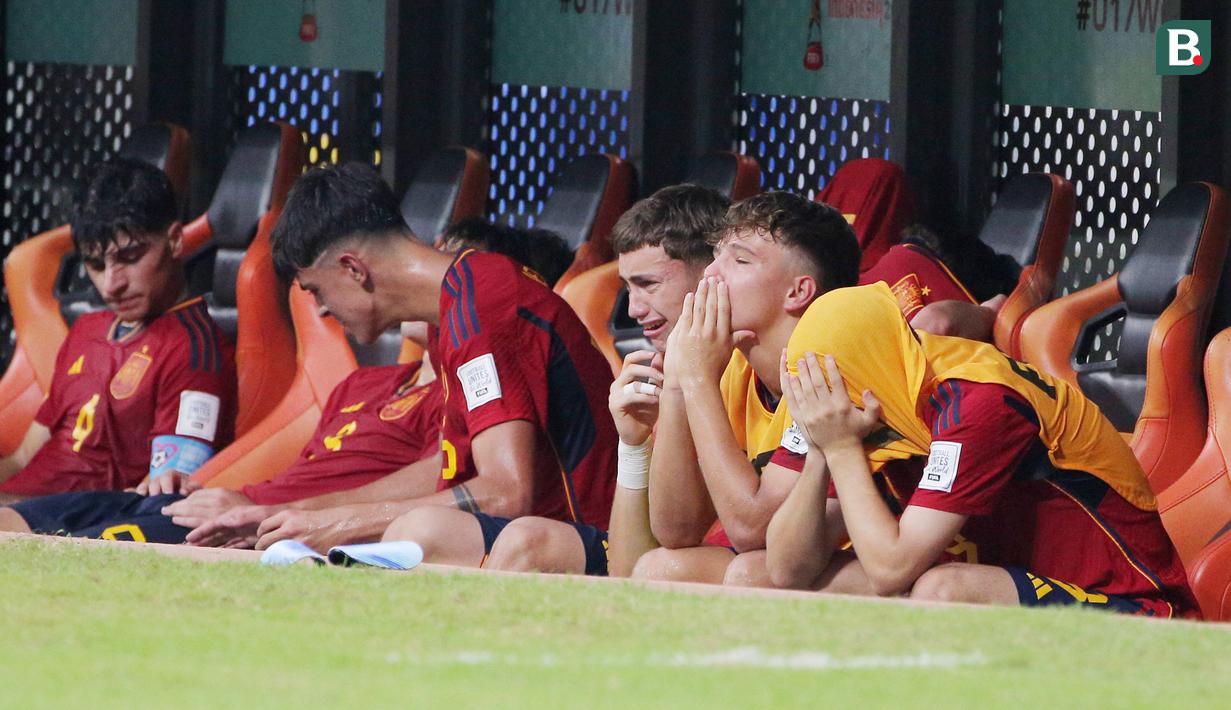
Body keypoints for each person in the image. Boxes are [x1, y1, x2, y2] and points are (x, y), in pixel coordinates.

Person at [262, 163, 617, 574]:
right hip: (532, 536)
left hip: (592, 541)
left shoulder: (483, 305)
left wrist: (345, 526)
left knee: (422, 530)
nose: (321, 308)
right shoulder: (454, 308)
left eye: (317, 290)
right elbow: (450, 474)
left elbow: (506, 494)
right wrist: (302, 511)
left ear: (353, 269)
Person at [765, 283, 1195, 617]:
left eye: (833, 396)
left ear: (865, 379)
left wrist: (841, 449)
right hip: (1015, 594)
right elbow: (786, 570)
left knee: (942, 593)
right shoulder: (883, 394)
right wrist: (822, 451)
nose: (828, 410)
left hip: (1133, 607)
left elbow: (890, 568)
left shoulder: (977, 400)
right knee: (754, 575)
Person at [632, 191, 861, 586]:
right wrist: (676, 385)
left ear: (798, 292)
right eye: (716, 255)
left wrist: (697, 379)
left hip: (927, 563)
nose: (710, 274)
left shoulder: (831, 367)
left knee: (750, 575)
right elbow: (675, 531)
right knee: (660, 569)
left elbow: (751, 529)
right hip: (797, 562)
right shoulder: (728, 363)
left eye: (738, 260)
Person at [0, 159, 235, 508]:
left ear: (173, 241)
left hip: (68, 521)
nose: (112, 284)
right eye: (96, 265)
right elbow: (22, 459)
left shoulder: (194, 348)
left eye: (129, 257)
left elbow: (157, 494)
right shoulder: (86, 329)